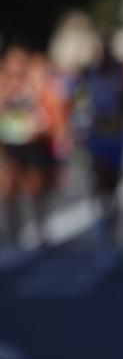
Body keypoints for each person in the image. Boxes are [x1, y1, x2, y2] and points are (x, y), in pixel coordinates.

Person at [0, 47, 57, 247]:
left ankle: (41, 227)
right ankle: (14, 231)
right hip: (10, 145)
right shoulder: (3, 86)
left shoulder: (35, 84)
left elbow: (48, 110)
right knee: (8, 188)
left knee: (35, 188)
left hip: (32, 144)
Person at [76, 42, 123, 246]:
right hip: (97, 136)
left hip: (116, 136)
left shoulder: (120, 76)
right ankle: (99, 220)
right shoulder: (89, 77)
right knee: (97, 181)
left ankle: (112, 226)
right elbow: (80, 104)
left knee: (114, 185)